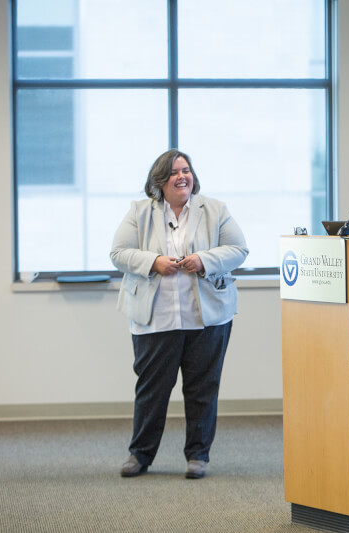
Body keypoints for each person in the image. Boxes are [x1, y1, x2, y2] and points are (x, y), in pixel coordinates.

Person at [111, 148, 248, 479]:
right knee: (152, 389)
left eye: (186, 170)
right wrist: (153, 262)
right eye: (174, 172)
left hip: (207, 317)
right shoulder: (139, 211)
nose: (182, 176)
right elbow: (119, 252)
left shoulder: (215, 209)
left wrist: (204, 260)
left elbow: (238, 249)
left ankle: (198, 455)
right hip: (156, 317)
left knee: (203, 387)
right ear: (159, 180)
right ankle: (140, 455)